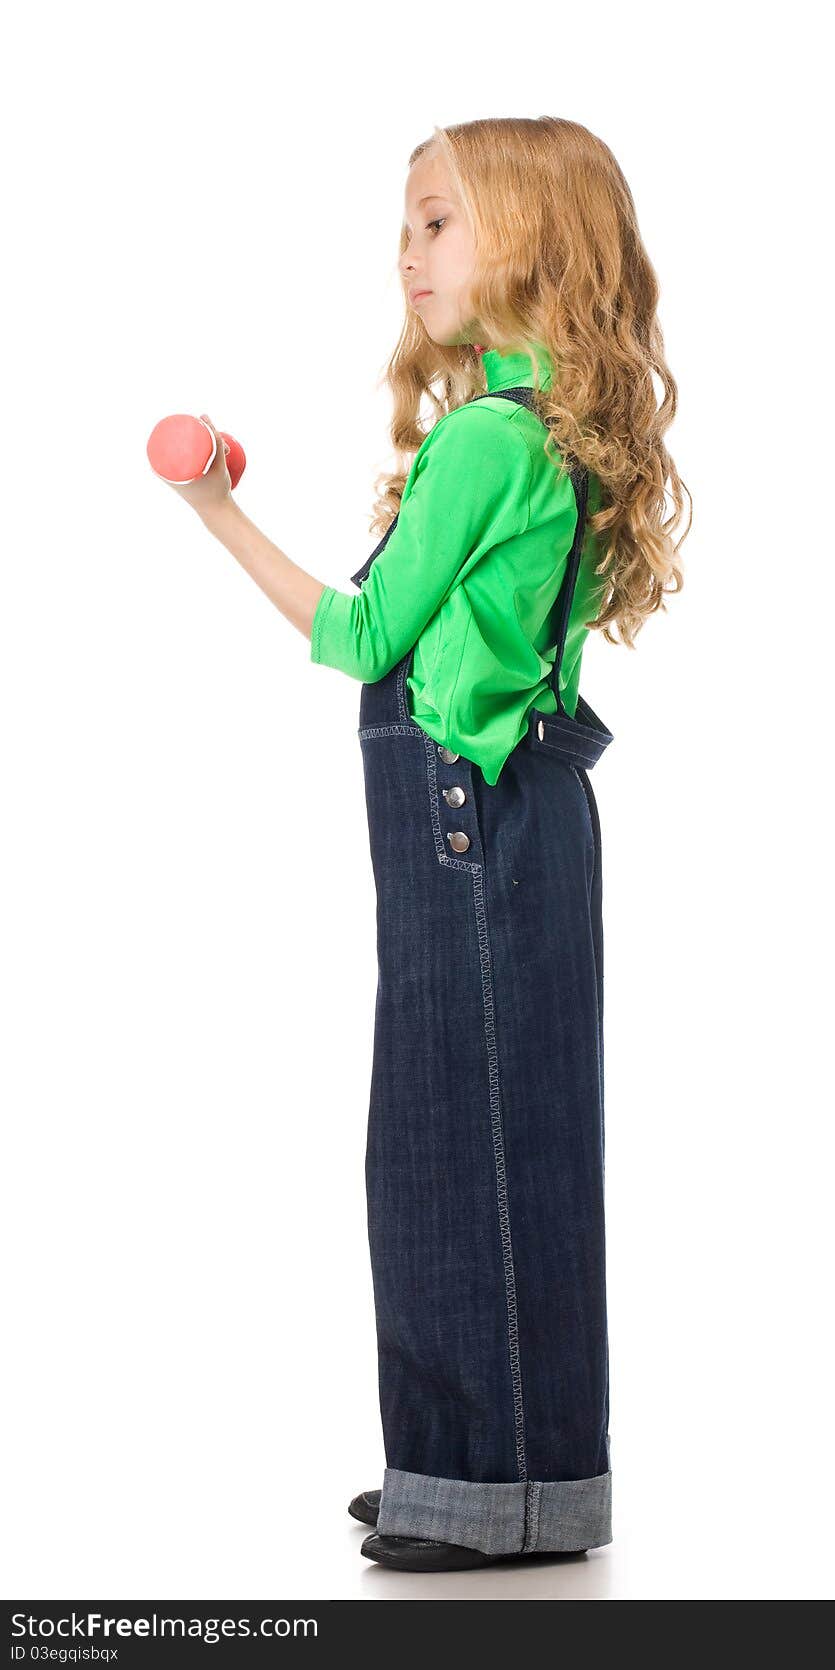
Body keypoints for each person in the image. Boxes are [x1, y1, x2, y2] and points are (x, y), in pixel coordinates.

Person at [162, 115, 691, 1573]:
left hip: (463, 820)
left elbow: (360, 633)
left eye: (441, 220)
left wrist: (215, 507)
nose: (410, 251)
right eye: (406, 223)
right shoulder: (536, 439)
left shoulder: (480, 441)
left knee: (453, 1147)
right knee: (508, 1143)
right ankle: (508, 1475)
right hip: (516, 817)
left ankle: (485, 1491)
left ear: (531, 240)